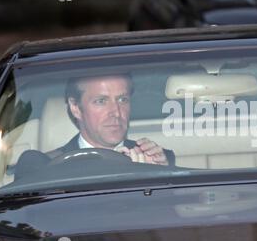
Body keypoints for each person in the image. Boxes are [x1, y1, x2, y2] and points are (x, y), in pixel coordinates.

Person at [15, 74, 174, 180]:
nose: (116, 113)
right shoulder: (40, 165)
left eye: (122, 100)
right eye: (101, 101)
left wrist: (157, 175)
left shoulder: (158, 159)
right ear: (76, 108)